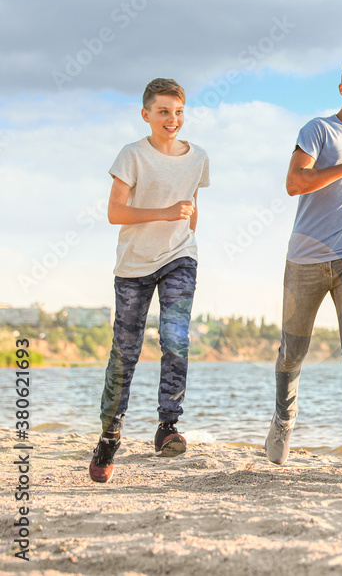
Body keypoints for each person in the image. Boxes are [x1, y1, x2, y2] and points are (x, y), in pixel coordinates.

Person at [265, 57, 342, 484]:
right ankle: (284, 418)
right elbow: (295, 183)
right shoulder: (318, 130)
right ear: (341, 88)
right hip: (306, 256)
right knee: (292, 351)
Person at [89, 78, 210, 483]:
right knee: (125, 350)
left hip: (180, 257)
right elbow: (115, 213)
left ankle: (168, 427)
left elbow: (192, 208)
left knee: (175, 338)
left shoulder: (198, 157)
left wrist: (186, 234)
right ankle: (110, 436)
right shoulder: (132, 155)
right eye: (163, 112)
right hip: (134, 264)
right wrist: (165, 212)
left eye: (177, 112)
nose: (171, 119)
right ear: (146, 115)